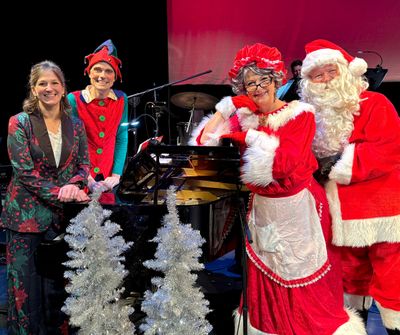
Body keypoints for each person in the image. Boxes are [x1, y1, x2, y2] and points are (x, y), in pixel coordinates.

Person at [191, 43, 365, 334]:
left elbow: (283, 165)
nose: (258, 88)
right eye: (250, 83)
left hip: (299, 211)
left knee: (305, 284)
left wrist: (248, 137)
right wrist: (227, 109)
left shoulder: (300, 114)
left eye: (263, 80)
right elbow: (203, 145)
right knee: (265, 285)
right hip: (264, 211)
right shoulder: (245, 114)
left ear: (276, 81)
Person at [300, 39, 400, 335]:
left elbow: (389, 148)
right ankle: (355, 326)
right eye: (318, 76)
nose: (326, 80)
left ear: (346, 71)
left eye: (331, 71)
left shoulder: (376, 103)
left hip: (380, 208)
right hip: (338, 211)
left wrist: (337, 164)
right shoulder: (310, 115)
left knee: (391, 275)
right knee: (350, 276)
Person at [0, 60, 90, 334]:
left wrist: (75, 184)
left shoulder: (75, 124)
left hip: (60, 220)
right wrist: (63, 193)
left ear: (63, 89)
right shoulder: (20, 123)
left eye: (54, 83)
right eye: (42, 83)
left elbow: (84, 165)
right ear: (33, 88)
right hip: (25, 220)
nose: (48, 88)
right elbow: (24, 173)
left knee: (55, 293)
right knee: (25, 294)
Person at [68, 39, 128, 194]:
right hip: (79, 177)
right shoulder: (74, 100)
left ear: (115, 77)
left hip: (108, 179)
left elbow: (121, 136)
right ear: (89, 72)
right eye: (98, 69)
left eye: (109, 71)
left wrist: (116, 175)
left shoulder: (122, 100)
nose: (102, 75)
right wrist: (85, 177)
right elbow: (70, 143)